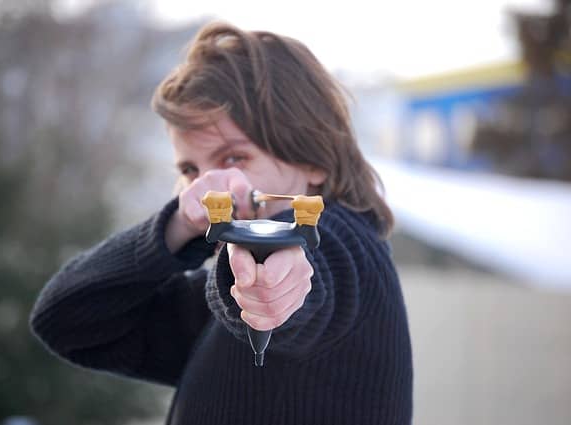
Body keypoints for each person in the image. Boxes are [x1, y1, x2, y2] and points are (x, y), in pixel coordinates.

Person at [30, 22, 413, 425]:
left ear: (313, 159)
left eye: (234, 159)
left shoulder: (348, 248)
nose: (209, 184)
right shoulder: (215, 305)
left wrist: (274, 277)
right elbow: (63, 319)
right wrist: (177, 225)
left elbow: (310, 269)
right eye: (190, 169)